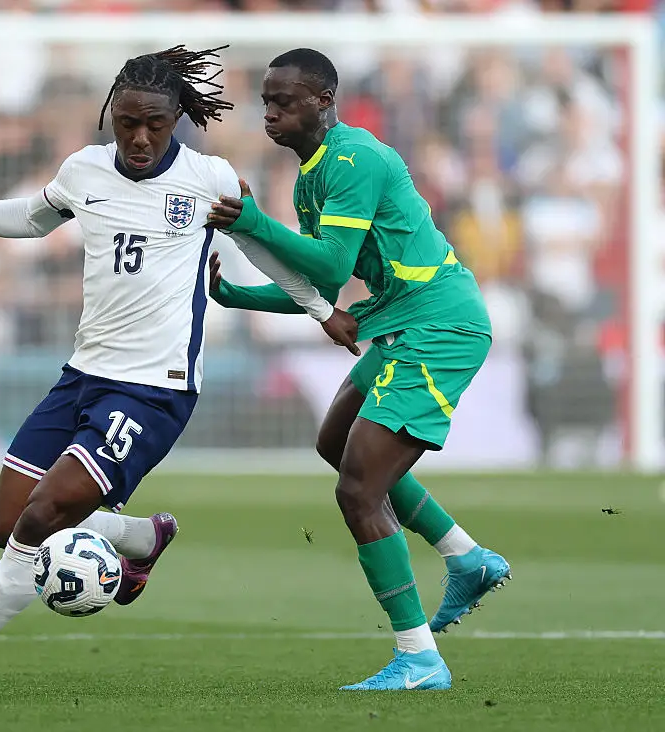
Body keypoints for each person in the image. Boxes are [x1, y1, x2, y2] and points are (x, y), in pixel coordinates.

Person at [0, 45, 357, 694]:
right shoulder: (84, 171)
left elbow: (266, 249)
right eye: (126, 122)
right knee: (5, 523)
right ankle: (138, 536)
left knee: (41, 516)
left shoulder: (209, 180)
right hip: (82, 375)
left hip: (156, 391)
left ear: (177, 117)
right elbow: (28, 218)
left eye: (154, 124)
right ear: (110, 115)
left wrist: (321, 309)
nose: (139, 136)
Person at [206, 48, 510, 691]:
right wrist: (241, 294)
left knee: (358, 490)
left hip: (439, 326)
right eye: (266, 101)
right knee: (335, 443)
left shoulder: (354, 158)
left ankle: (419, 658)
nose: (271, 113)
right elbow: (322, 275)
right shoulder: (312, 173)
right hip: (400, 319)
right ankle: (467, 557)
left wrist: (255, 224)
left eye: (284, 101)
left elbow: (328, 266)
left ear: (323, 102)